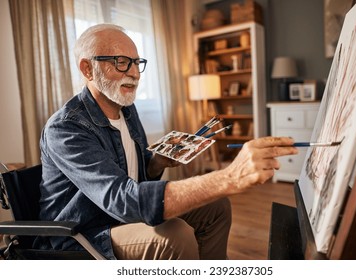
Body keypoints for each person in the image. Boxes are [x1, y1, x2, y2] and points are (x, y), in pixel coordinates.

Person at [33, 23, 298, 260]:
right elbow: (123, 201)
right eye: (122, 62)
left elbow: (134, 176)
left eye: (137, 62)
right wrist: (229, 177)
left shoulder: (125, 108)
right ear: (87, 68)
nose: (135, 73)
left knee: (216, 207)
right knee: (176, 235)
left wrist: (157, 161)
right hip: (84, 234)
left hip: (118, 214)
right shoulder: (66, 128)